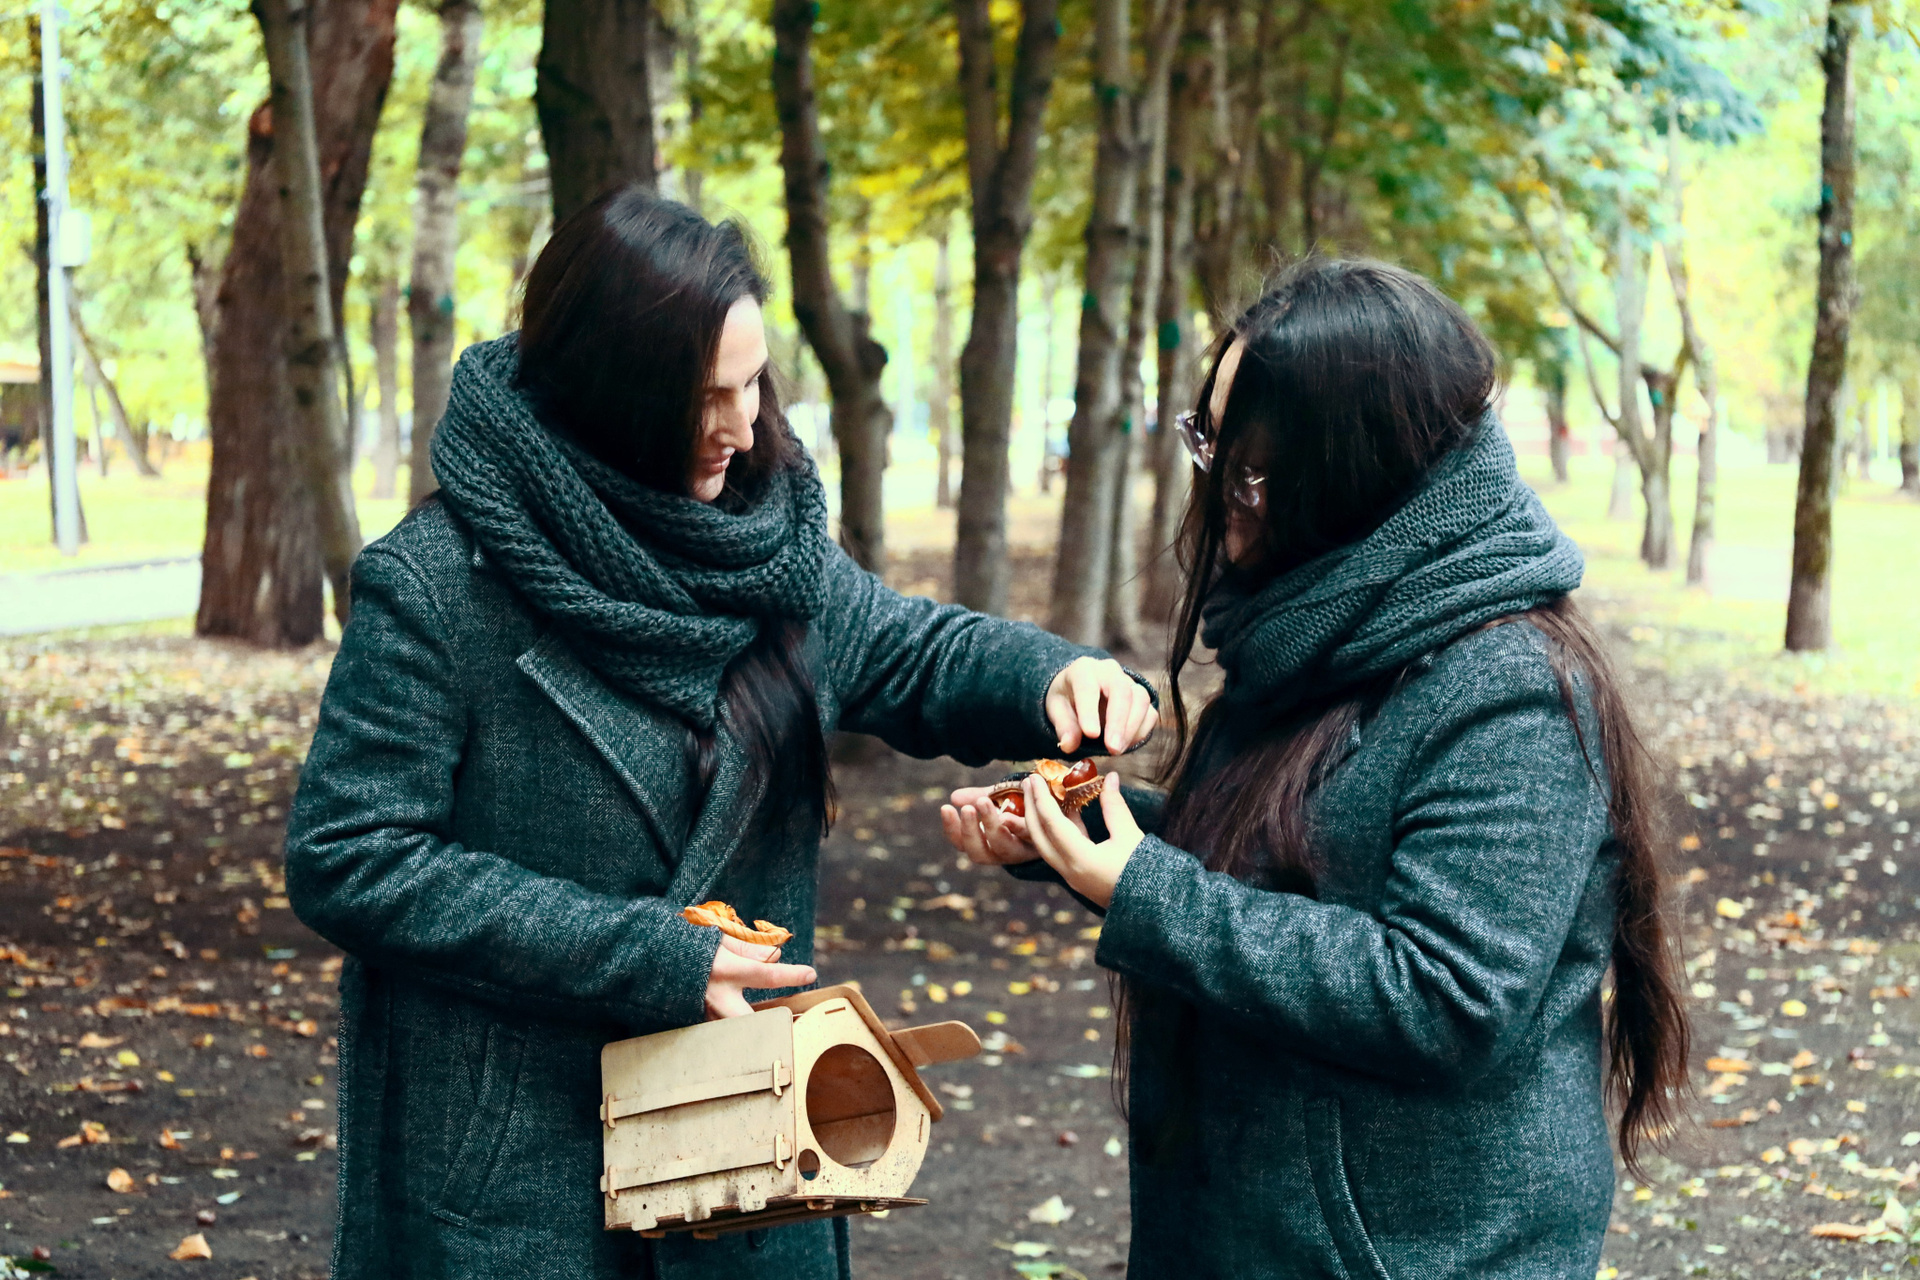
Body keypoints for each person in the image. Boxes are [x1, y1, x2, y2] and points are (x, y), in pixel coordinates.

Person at [284, 187, 1156, 1280]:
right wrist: (645, 955)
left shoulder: (765, 545)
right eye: (707, 397)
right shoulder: (435, 584)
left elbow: (915, 649)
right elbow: (350, 856)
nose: (743, 430)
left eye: (753, 385)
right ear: (610, 393)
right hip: (520, 1184)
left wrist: (1059, 676)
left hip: (754, 1172)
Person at [944, 257, 1688, 1279]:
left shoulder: (1511, 689)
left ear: (1354, 473)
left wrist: (1146, 889)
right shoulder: (1323, 616)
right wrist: (1091, 836)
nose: (1218, 486)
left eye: (1251, 465)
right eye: (1210, 438)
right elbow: (1297, 856)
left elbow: (1445, 996)